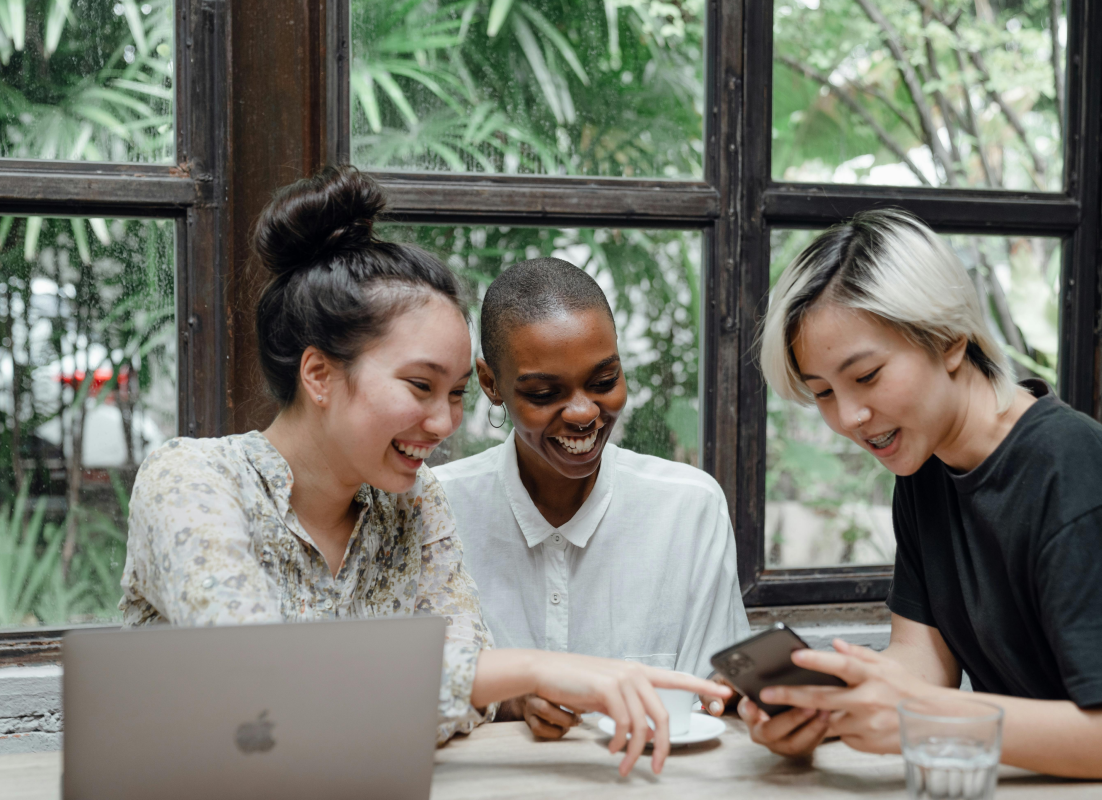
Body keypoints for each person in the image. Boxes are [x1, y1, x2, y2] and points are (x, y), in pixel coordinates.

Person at [119, 166, 729, 777]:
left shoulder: (413, 503)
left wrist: (464, 688)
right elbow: (259, 685)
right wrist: (535, 669)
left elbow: (467, 701)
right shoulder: (192, 480)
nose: (444, 424)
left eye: (457, 393)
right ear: (319, 375)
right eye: (420, 386)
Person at [748, 209, 1102, 787]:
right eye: (823, 393)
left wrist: (925, 716)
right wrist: (829, 707)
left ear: (950, 340)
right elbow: (922, 660)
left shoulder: (1082, 477)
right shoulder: (924, 468)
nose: (849, 417)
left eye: (868, 376)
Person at [432, 257, 750, 740]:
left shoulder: (688, 509)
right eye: (543, 392)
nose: (583, 412)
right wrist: (512, 697)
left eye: (604, 382)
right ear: (490, 383)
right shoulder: (437, 510)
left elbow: (717, 697)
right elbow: (401, 691)